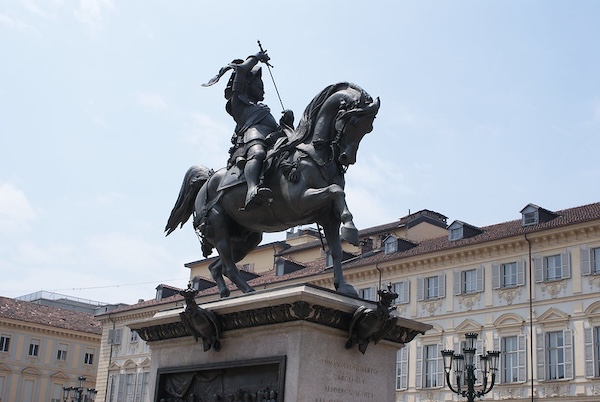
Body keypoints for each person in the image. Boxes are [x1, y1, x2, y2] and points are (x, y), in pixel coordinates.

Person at [203, 50, 293, 211]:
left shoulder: (262, 109)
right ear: (248, 85)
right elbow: (242, 70)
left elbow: (277, 129)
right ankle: (252, 189)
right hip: (251, 138)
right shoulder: (238, 103)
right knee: (258, 153)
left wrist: (286, 122)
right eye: (260, 85)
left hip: (271, 138)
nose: (263, 89)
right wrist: (257, 57)